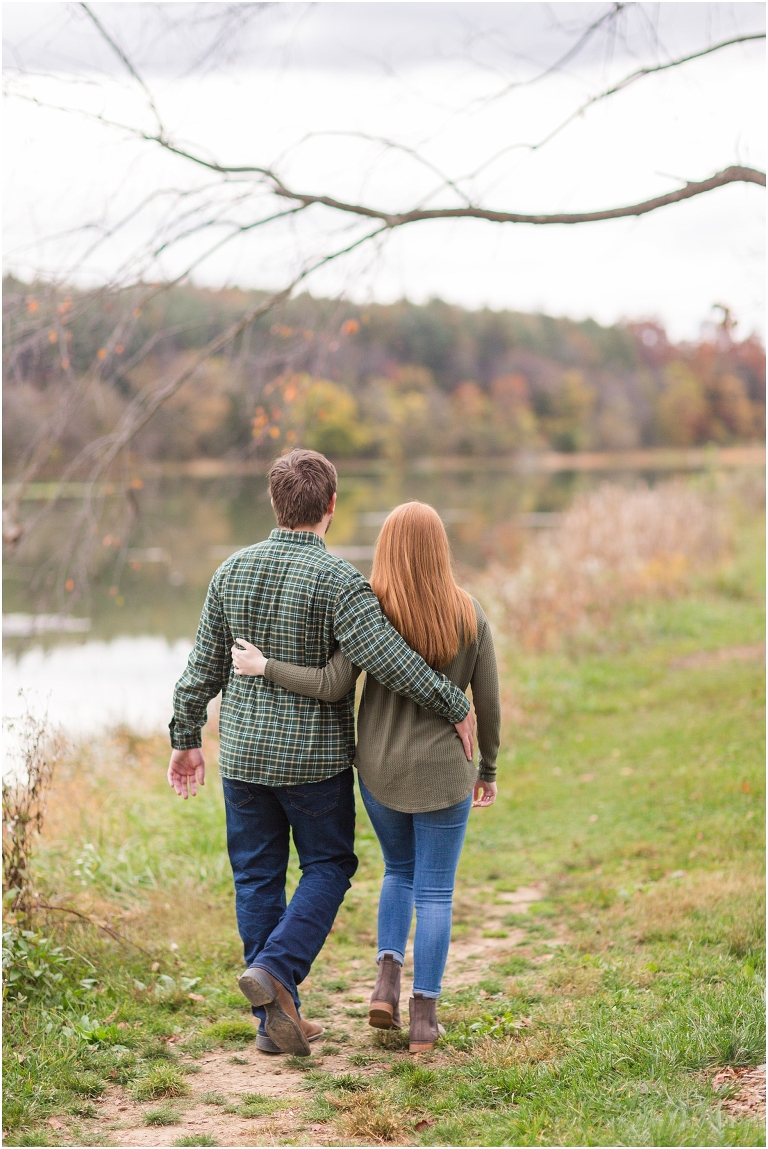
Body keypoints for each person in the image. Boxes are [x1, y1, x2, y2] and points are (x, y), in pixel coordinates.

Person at [168, 450, 475, 1057]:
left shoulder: (230, 572)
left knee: (257, 878)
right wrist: (455, 703)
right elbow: (391, 660)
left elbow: (200, 669)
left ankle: (274, 1023)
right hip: (313, 766)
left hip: (246, 760)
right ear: (331, 506)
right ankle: (278, 974)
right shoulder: (340, 582)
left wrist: (184, 738)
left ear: (274, 502)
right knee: (330, 868)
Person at [231, 501, 500, 1053]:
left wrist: (266, 668)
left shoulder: (370, 608)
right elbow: (487, 703)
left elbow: (331, 683)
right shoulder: (469, 613)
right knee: (437, 894)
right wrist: (488, 766)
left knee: (397, 873)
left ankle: (384, 987)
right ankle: (423, 1021)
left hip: (378, 772)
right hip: (445, 773)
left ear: (386, 549)